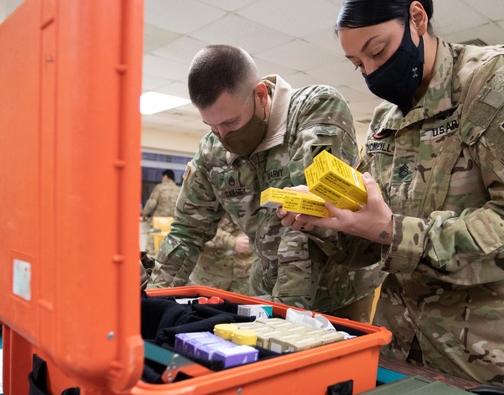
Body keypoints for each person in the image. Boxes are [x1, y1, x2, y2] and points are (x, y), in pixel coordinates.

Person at [281, 0, 504, 395]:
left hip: (494, 368)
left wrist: (391, 230)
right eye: (358, 65)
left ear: (417, 18)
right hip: (403, 356)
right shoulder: (386, 121)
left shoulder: (497, 83)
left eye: (377, 51)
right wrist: (326, 219)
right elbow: (370, 245)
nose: (372, 72)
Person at [147, 44, 381, 323]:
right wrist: (153, 304)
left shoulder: (315, 110)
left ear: (259, 95)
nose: (222, 136)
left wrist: (284, 321)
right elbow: (186, 233)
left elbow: (307, 217)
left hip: (340, 290)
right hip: (269, 288)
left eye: (231, 123)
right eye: (212, 127)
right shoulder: (212, 151)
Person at [189, 213, 254, 296]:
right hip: (210, 276)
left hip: (245, 276)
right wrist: (231, 241)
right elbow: (194, 226)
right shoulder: (205, 201)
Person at [141, 169, 180, 258]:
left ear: (166, 177)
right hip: (172, 224)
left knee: (151, 250)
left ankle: (149, 265)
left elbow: (152, 203)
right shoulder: (179, 190)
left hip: (158, 223)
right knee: (168, 251)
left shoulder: (159, 187)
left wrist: (144, 214)